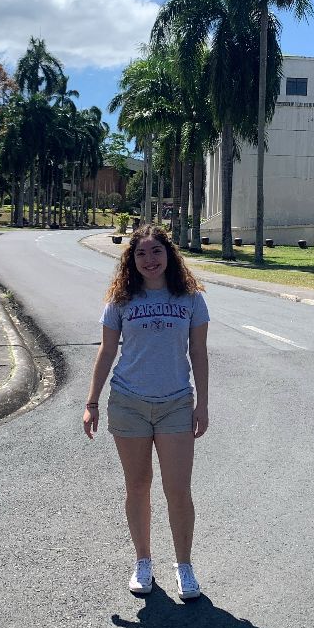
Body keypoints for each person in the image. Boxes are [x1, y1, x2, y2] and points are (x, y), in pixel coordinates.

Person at [84, 224, 209, 600]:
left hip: (175, 403)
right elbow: (106, 351)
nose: (149, 259)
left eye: (156, 252)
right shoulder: (121, 300)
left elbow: (198, 353)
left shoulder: (190, 298)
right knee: (137, 486)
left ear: (169, 255)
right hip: (128, 403)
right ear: (131, 259)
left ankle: (184, 565)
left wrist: (202, 404)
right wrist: (91, 403)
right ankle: (143, 561)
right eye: (141, 253)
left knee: (177, 489)